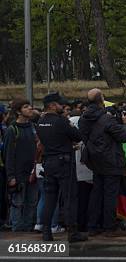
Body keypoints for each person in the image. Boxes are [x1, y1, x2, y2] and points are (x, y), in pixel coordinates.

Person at [36, 92, 88, 242]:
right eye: (60, 104)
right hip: (64, 163)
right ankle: (72, 232)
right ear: (52, 105)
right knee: (70, 197)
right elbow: (78, 136)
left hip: (49, 163)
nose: (63, 106)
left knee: (50, 198)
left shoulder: (40, 122)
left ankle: (46, 232)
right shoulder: (62, 121)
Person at [79, 89, 126, 238]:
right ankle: (109, 227)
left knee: (96, 194)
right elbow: (122, 136)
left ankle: (93, 226)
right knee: (110, 195)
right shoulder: (106, 119)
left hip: (95, 160)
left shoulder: (84, 118)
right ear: (101, 100)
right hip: (110, 160)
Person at [3, 98, 38, 232]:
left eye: (29, 106)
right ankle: (17, 233)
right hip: (18, 175)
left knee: (32, 203)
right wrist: (11, 176)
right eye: (25, 107)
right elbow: (8, 155)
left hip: (32, 174)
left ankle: (27, 231)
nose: (29, 108)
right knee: (17, 204)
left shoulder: (33, 127)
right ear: (18, 111)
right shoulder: (12, 130)